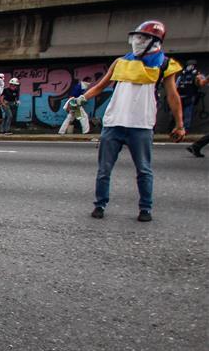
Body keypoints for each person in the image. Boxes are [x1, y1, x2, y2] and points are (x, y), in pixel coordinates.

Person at [74, 20, 184, 222]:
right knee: (104, 170)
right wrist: (80, 99)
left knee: (144, 170)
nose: (138, 41)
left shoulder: (165, 64)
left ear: (155, 41)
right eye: (137, 37)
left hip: (141, 125)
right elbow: (101, 85)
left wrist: (180, 124)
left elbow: (173, 95)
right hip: (114, 123)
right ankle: (100, 205)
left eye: (144, 38)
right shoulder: (120, 62)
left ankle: (145, 208)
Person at [177, 60, 207, 132]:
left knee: (187, 113)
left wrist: (201, 80)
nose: (189, 67)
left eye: (191, 65)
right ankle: (178, 127)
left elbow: (202, 82)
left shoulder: (197, 74)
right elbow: (176, 85)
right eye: (188, 65)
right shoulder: (182, 74)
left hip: (190, 96)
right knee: (178, 113)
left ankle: (186, 129)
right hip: (180, 96)